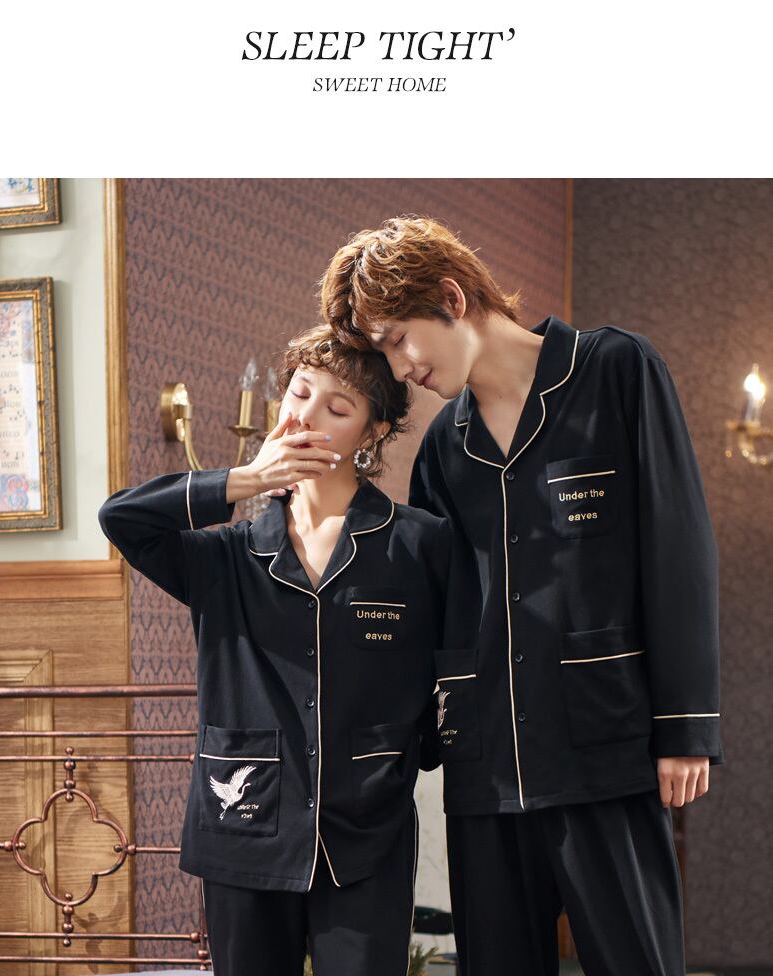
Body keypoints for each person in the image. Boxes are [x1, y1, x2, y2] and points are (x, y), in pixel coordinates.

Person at [319, 215, 724, 976]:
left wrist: (685, 725)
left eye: (399, 339)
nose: (401, 367)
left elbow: (678, 547)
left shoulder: (616, 371)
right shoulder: (444, 449)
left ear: (450, 297)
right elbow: (435, 610)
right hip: (487, 772)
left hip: (605, 748)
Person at [97, 323, 454, 976]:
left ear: (372, 433)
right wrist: (243, 479)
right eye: (299, 393)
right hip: (244, 826)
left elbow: (453, 663)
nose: (307, 417)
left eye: (338, 408)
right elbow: (121, 518)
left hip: (366, 833)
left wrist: (418, 746)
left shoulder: (418, 545)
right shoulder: (226, 557)